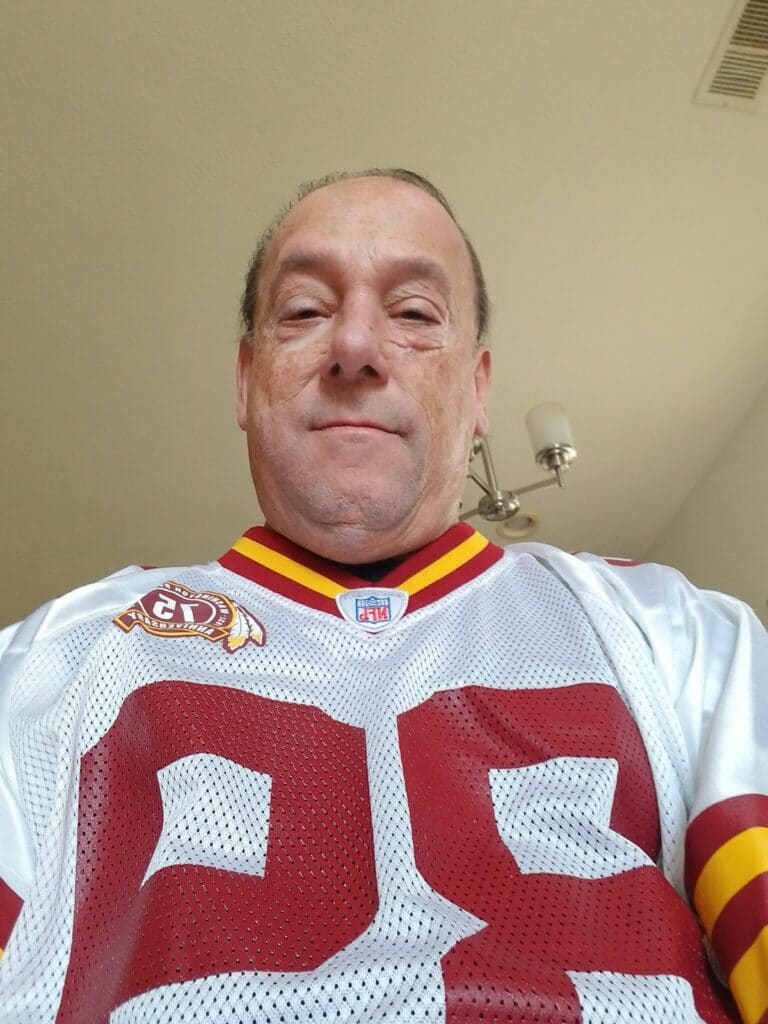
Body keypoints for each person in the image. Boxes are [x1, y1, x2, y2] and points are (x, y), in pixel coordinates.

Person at [0, 168, 765, 1024]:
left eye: (412, 314)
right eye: (303, 311)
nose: (355, 345)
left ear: (478, 394)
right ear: (246, 382)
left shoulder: (676, 637)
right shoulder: (51, 659)